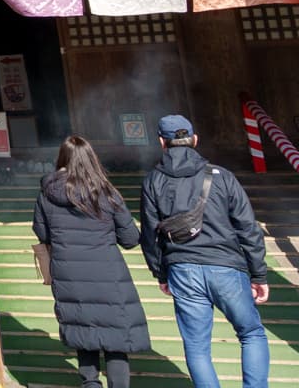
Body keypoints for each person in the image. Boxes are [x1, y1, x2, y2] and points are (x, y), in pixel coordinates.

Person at [141, 114, 270, 388]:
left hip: (182, 269)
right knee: (251, 334)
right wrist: (258, 275)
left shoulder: (153, 181)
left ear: (162, 143)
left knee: (197, 347)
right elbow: (249, 228)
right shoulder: (221, 176)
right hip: (227, 267)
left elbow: (149, 237)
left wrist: (161, 273)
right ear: (195, 140)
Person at [33, 136, 150, 388]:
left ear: (62, 159)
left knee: (82, 331)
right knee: (116, 339)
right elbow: (130, 239)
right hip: (108, 274)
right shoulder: (107, 192)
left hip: (68, 273)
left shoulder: (47, 194)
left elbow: (42, 234)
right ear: (91, 159)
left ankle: (90, 383)